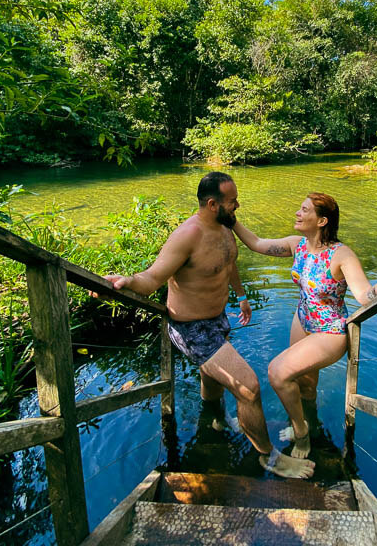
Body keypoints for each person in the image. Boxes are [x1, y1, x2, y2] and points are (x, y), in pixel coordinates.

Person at [100, 172, 315, 479]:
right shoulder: (187, 235)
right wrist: (127, 281)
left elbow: (227, 262)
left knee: (212, 381)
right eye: (232, 201)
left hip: (217, 318)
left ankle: (214, 421)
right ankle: (269, 457)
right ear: (213, 204)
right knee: (248, 387)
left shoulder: (225, 226)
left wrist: (241, 296)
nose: (237, 205)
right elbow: (153, 278)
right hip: (192, 328)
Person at [233, 192, 377, 459]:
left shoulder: (341, 254)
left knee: (278, 373)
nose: (297, 214)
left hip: (329, 331)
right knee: (305, 386)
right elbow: (255, 243)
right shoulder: (296, 245)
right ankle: (309, 421)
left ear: (322, 220)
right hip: (302, 320)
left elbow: (363, 294)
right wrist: (230, 220)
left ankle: (301, 432)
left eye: (304, 210)